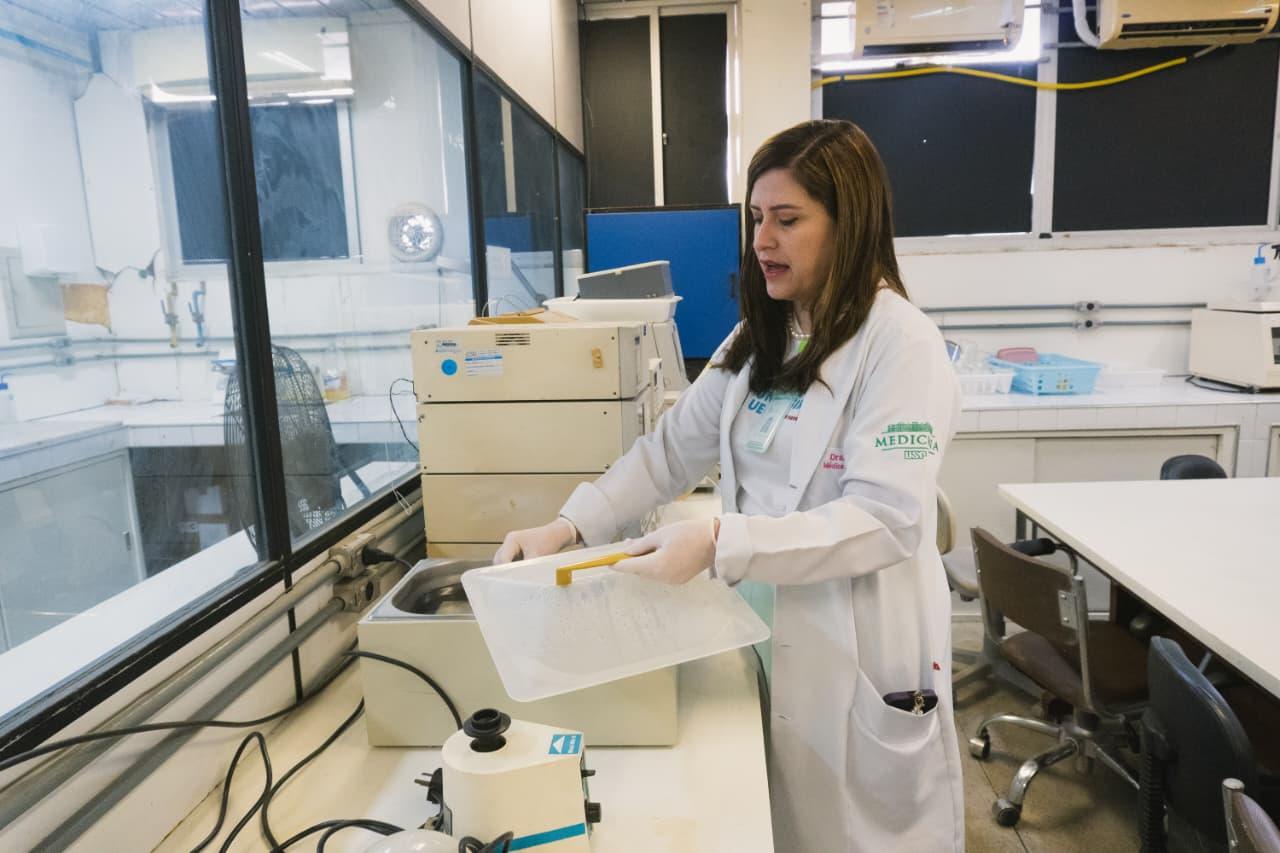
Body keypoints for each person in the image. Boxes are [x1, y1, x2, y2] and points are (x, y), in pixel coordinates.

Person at [495, 119, 964, 851]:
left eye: (787, 220)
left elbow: (888, 518)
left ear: (850, 224)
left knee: (854, 830)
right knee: (769, 813)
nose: (762, 240)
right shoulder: (758, 338)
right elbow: (666, 454)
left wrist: (720, 537)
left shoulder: (900, 344)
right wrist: (570, 526)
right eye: (755, 219)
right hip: (764, 623)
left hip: (859, 643)